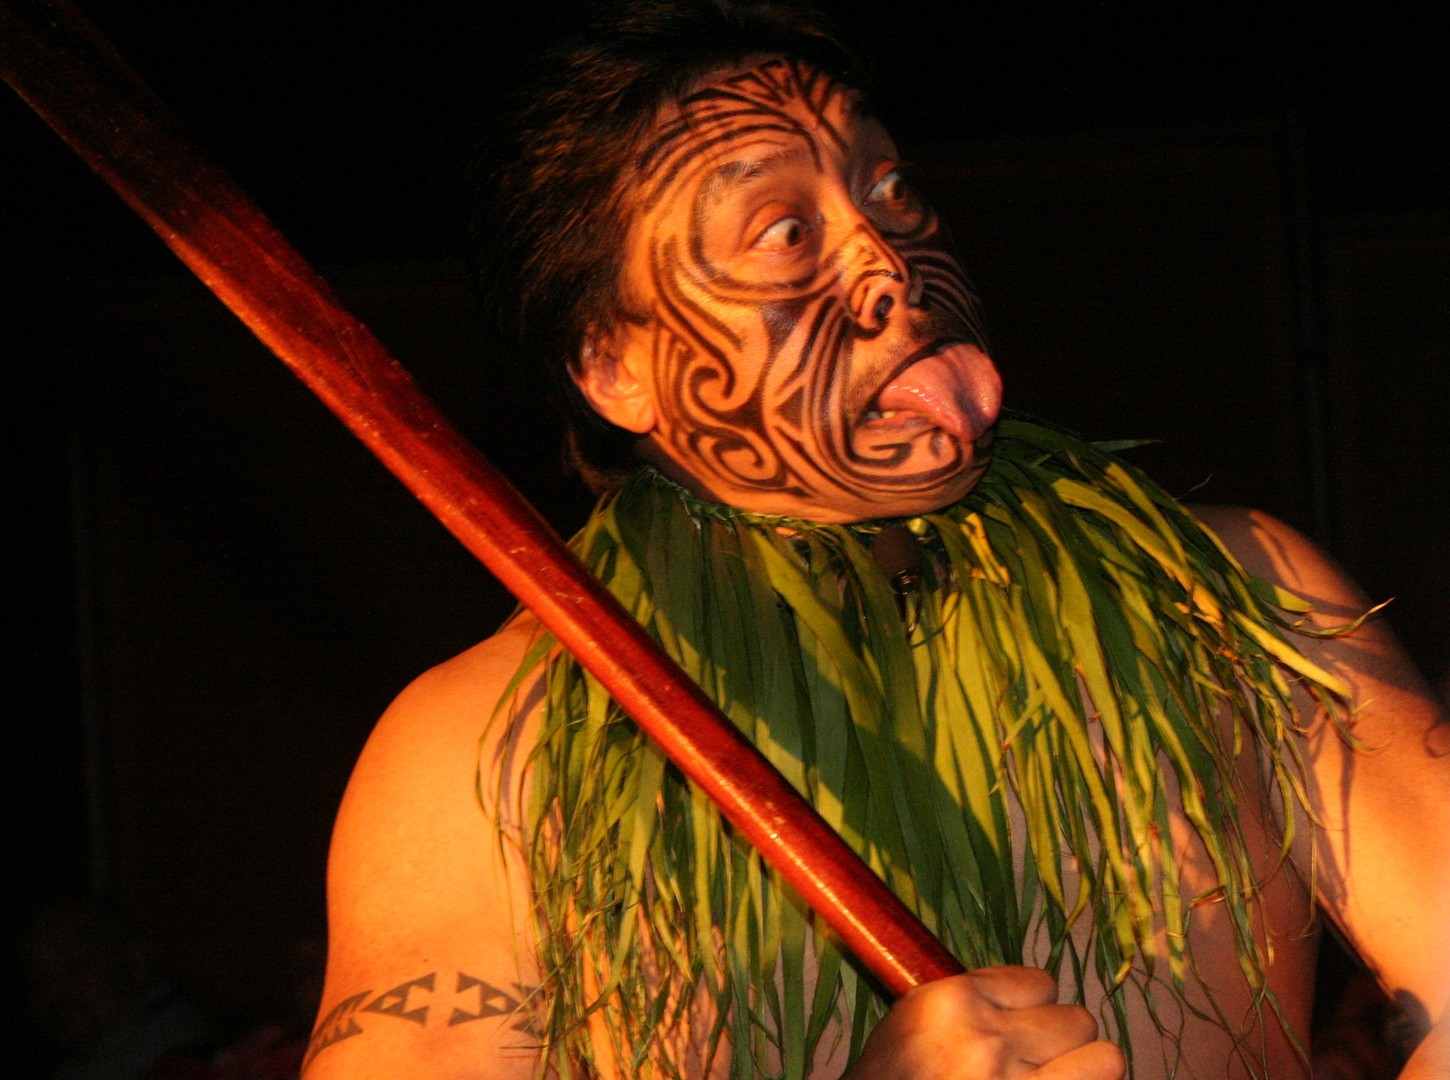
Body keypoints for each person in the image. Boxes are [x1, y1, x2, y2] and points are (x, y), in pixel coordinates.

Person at [302, 2, 1450, 1077]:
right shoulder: (480, 751)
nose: (884, 259)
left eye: (890, 188)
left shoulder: (1233, 597)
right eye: (785, 231)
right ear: (614, 366)